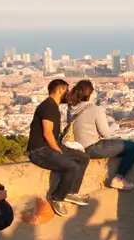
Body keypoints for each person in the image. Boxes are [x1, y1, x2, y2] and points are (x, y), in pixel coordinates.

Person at [27, 79, 91, 217]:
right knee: (72, 166)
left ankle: (71, 192)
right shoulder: (48, 107)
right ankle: (57, 197)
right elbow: (47, 132)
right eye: (67, 91)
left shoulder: (52, 106)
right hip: (39, 151)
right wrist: (58, 150)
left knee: (83, 158)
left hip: (49, 146)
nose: (68, 94)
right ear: (61, 90)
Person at [66, 80, 134, 191]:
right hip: (92, 148)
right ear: (90, 94)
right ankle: (119, 179)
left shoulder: (71, 109)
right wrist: (114, 127)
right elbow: (105, 134)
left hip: (75, 147)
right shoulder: (95, 109)